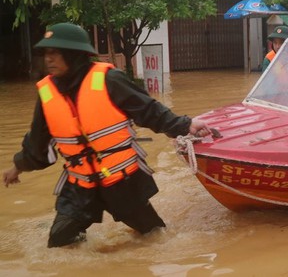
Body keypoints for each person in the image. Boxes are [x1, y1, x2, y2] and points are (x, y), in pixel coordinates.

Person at [2, 23, 211, 248]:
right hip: (80, 185)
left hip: (121, 180)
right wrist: (18, 166)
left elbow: (149, 111)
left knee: (155, 236)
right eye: (46, 54)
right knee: (59, 242)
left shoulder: (109, 80)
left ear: (73, 54)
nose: (48, 59)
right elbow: (38, 142)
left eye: (55, 53)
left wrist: (186, 125)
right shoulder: (47, 93)